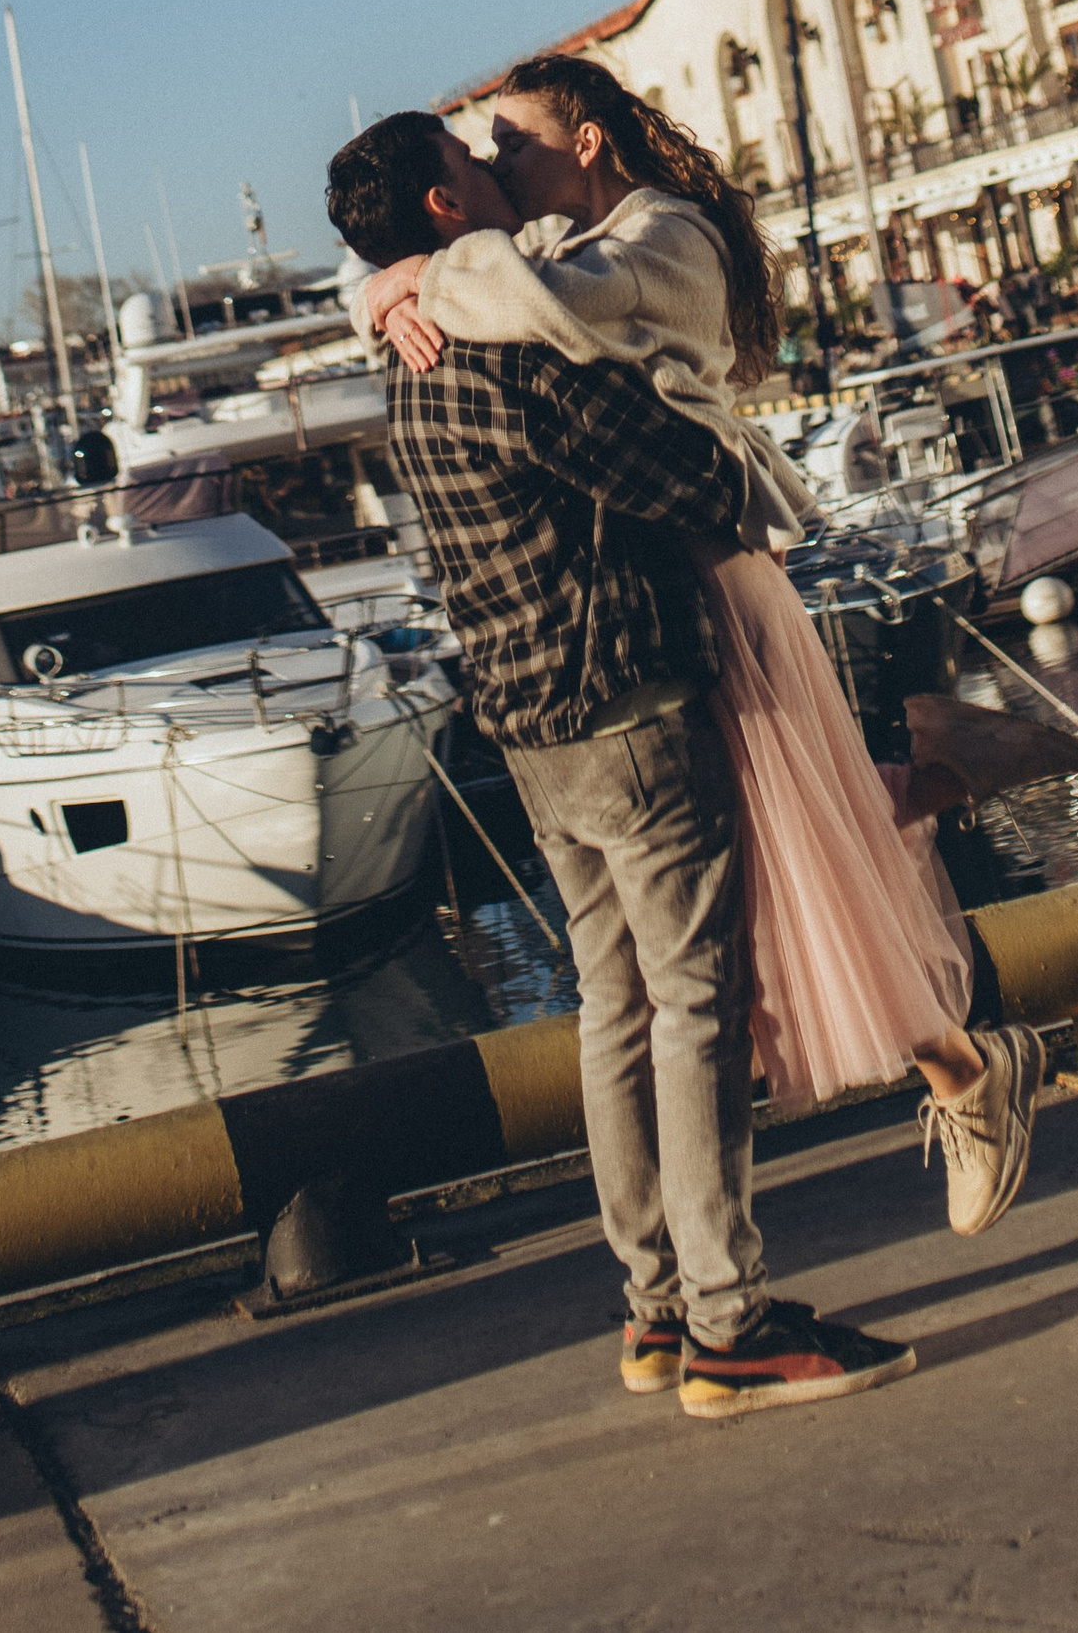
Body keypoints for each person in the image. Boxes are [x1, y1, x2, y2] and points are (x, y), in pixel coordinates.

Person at [328, 107, 928, 1420]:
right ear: (442, 207)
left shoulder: (410, 359)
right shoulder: (514, 357)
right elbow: (684, 475)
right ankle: (731, 1320)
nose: (495, 171)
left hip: (528, 728)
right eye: (473, 163)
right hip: (626, 703)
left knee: (613, 1006)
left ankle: (651, 1304)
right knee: (697, 1003)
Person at [357, 61, 1041, 1177]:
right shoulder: (547, 245)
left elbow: (544, 310)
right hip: (661, 597)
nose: (495, 165)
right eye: (482, 153)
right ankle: (940, 822)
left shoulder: (658, 238)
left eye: (513, 144)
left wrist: (410, 278)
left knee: (788, 855)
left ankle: (962, 1056)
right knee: (772, 865)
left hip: (718, 577)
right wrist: (392, 282)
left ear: (586, 143)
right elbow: (493, 288)